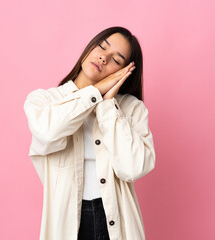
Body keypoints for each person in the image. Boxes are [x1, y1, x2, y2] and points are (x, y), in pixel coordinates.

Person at [23, 26, 156, 240]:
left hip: (117, 223)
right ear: (89, 47)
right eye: (102, 46)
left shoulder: (131, 109)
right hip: (67, 223)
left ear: (124, 71)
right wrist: (95, 91)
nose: (104, 57)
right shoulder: (44, 101)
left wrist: (107, 106)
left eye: (116, 59)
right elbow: (47, 133)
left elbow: (134, 168)